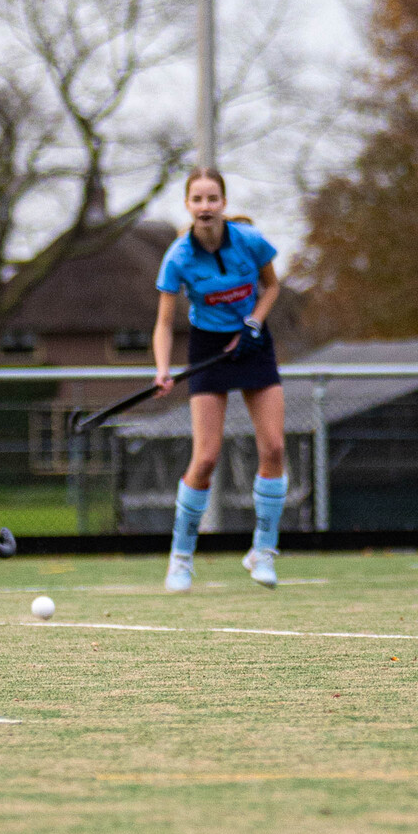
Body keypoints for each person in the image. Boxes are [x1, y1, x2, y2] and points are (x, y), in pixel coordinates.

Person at [152, 166, 287, 591]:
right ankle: (181, 557)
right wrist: (162, 368)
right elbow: (163, 323)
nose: (205, 207)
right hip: (208, 348)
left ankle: (263, 550)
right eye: (198, 200)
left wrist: (254, 322)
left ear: (224, 203)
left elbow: (271, 287)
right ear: (188, 206)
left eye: (212, 199)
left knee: (274, 447)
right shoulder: (177, 256)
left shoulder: (250, 241)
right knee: (206, 458)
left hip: (252, 342)